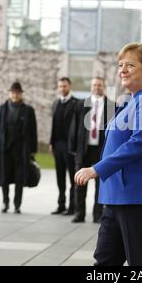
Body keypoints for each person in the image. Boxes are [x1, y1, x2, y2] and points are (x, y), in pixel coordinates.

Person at [74, 43, 142, 266]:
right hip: (118, 196)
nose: (122, 69)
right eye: (120, 65)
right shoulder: (133, 100)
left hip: (140, 195)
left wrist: (96, 169)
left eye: (130, 65)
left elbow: (139, 143)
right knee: (105, 262)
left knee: (141, 263)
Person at [71, 77, 115, 223]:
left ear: (104, 87)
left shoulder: (112, 106)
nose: (97, 87)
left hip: (102, 150)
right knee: (80, 182)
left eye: (100, 85)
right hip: (83, 149)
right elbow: (74, 127)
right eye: (94, 85)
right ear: (91, 87)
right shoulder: (81, 105)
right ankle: (79, 214)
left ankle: (98, 215)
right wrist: (73, 148)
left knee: (100, 184)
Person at [0, 82, 38, 214]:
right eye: (12, 92)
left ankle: (17, 205)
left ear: (21, 94)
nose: (15, 95)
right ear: (9, 93)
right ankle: (5, 203)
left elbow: (33, 131)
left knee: (19, 179)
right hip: (4, 150)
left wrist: (33, 150)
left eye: (17, 92)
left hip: (21, 151)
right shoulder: (1, 110)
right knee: (4, 178)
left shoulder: (28, 110)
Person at [49, 77, 79, 215]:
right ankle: (61, 204)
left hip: (70, 147)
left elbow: (78, 127)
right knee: (59, 177)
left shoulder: (77, 103)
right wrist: (51, 143)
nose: (62, 88)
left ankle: (72, 206)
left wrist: (75, 146)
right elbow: (54, 125)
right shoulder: (55, 103)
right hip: (57, 145)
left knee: (72, 177)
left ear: (69, 86)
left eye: (65, 86)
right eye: (60, 86)